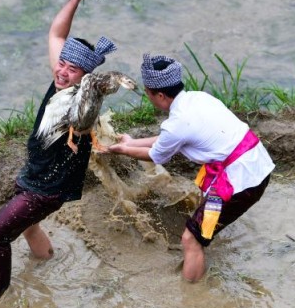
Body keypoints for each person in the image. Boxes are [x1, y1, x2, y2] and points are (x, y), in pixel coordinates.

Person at [0, 0, 118, 302]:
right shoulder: (62, 75)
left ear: (85, 78)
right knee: (29, 228)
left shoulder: (80, 102)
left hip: (47, 188)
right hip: (35, 173)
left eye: (72, 69)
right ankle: (47, 262)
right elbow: (56, 34)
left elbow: (83, 120)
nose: (63, 71)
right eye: (62, 64)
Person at [105, 53, 275, 282]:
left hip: (240, 181)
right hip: (257, 166)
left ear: (160, 95)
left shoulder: (178, 123)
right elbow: (171, 138)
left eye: (148, 92)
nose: (147, 96)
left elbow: (156, 155)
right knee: (201, 231)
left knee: (190, 239)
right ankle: (201, 253)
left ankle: (193, 297)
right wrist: (132, 142)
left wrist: (123, 149)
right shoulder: (198, 98)